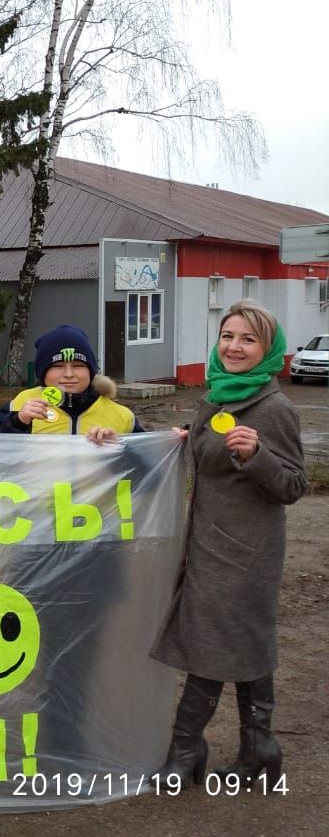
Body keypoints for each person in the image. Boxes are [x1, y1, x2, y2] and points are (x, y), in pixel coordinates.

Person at [151, 300, 306, 788]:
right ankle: (258, 746)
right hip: (208, 547)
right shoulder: (215, 396)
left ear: (268, 349)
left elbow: (294, 485)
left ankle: (186, 750)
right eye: (228, 336)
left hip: (246, 553)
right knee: (239, 643)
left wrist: (258, 455)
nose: (234, 347)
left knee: (213, 645)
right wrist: (183, 439)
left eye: (248, 339)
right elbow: (209, 449)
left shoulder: (273, 407)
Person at [0, 325, 143, 442]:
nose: (69, 374)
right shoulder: (20, 405)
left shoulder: (122, 416)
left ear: (91, 371)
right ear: (43, 373)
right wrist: (17, 422)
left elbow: (148, 466)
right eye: (57, 366)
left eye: (78, 365)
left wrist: (118, 450)